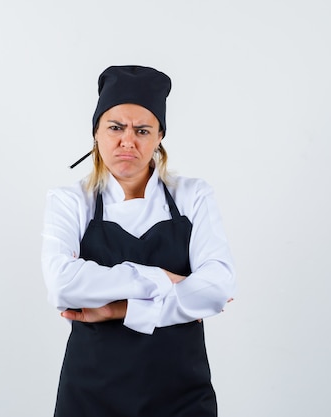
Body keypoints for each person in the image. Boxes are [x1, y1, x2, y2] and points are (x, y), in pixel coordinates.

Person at [41, 65, 236, 417]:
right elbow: (62, 284)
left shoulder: (193, 196)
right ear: (96, 133)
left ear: (159, 136)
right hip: (90, 396)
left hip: (182, 396)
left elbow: (217, 289)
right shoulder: (71, 201)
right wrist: (163, 278)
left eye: (142, 130)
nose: (127, 140)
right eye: (115, 127)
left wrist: (118, 309)